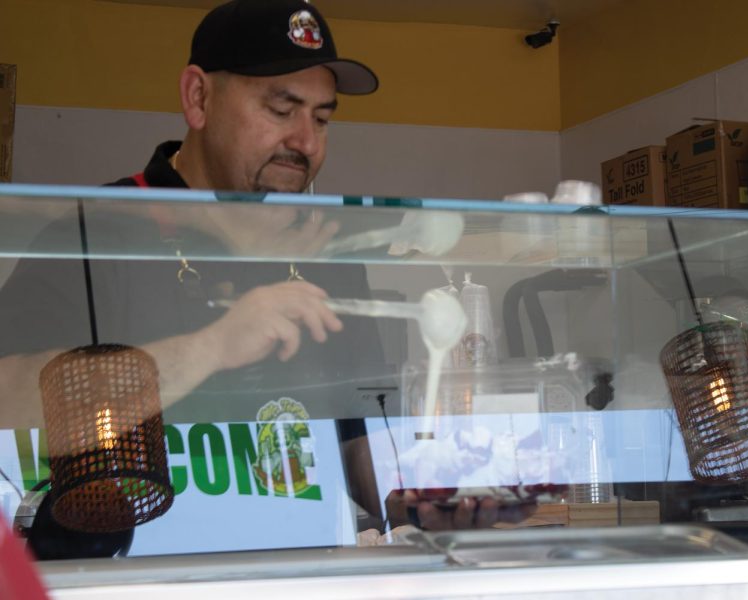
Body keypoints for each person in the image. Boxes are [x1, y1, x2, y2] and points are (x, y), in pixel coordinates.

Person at [0, 0, 533, 538]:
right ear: (198, 97)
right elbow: (6, 400)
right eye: (281, 110)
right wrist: (213, 345)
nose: (305, 141)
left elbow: (359, 443)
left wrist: (428, 499)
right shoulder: (97, 230)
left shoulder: (328, 248)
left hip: (302, 575)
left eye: (321, 118)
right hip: (137, 580)